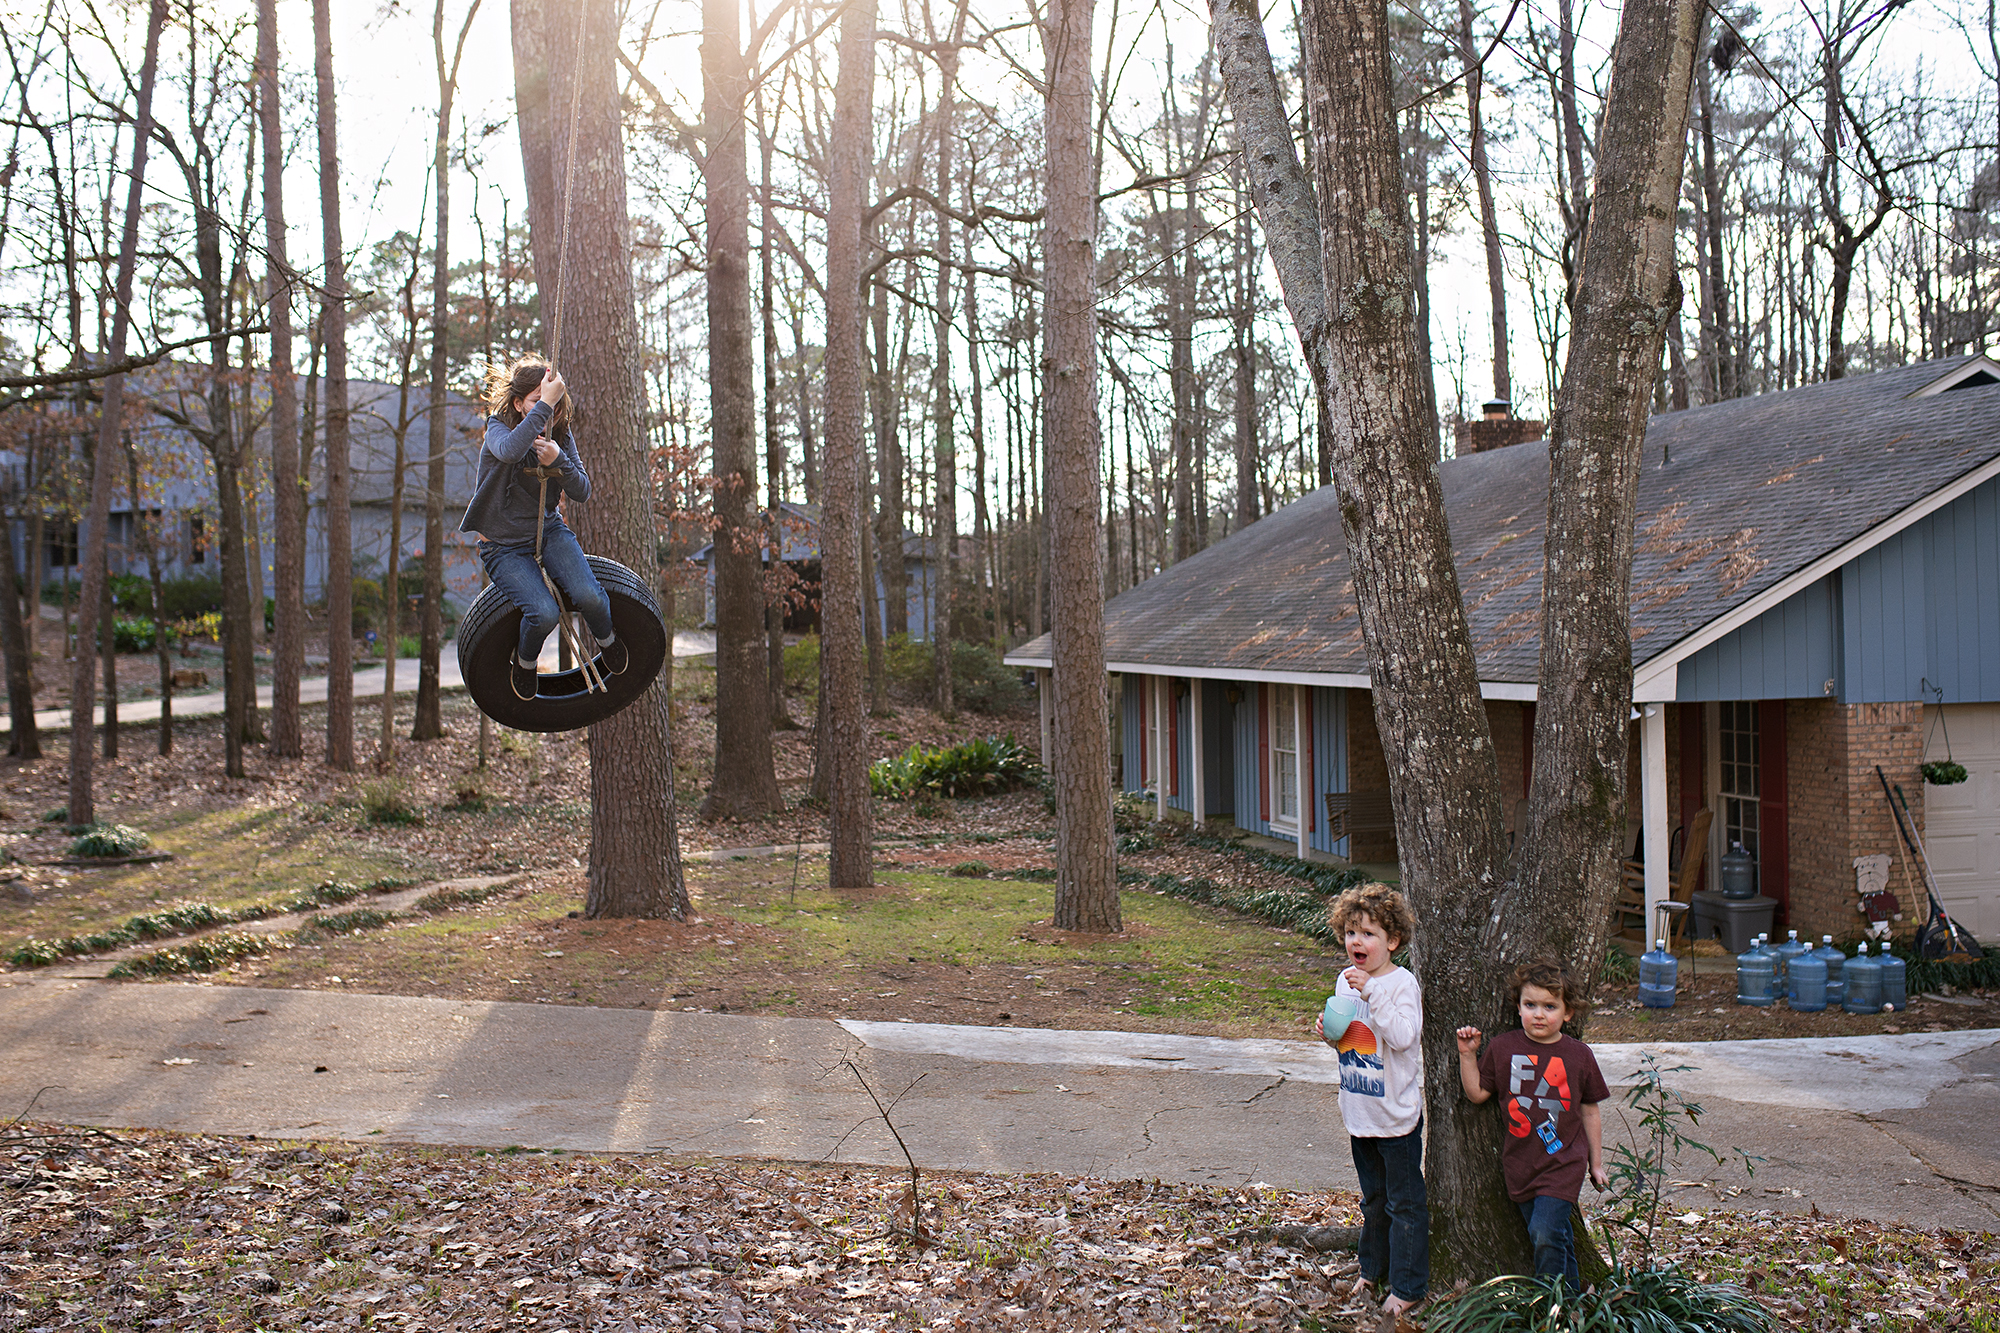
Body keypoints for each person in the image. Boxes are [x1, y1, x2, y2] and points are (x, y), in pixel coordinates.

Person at [461, 356, 627, 700]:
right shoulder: (498, 428)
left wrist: (558, 461)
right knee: (544, 613)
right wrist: (545, 404)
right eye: (538, 401)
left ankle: (607, 640)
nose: (549, 410)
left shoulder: (561, 439)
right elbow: (510, 451)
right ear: (519, 403)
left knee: (591, 597)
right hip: (503, 546)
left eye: (554, 402)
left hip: (547, 531)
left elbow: (582, 490)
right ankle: (525, 661)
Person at [1454, 958, 1610, 1293]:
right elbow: (1478, 1093)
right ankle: (1571, 1302)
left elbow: (1590, 1111)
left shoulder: (1579, 1055)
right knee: (1552, 1236)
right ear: (1519, 1007)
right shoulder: (1503, 1048)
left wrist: (1595, 1164)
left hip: (1563, 1163)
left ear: (1568, 1013)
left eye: (1550, 1006)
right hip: (1520, 1163)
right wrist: (1468, 1055)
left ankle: (1549, 1305)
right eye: (1530, 1004)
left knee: (1543, 1232)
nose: (1539, 1014)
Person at [1313, 882, 1426, 1318]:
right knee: (1373, 1201)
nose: (1357, 941)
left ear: (1392, 941)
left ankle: (1409, 1285)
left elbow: (1402, 1037)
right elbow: (1351, 1038)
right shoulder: (1345, 979)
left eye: (1369, 933)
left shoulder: (1400, 983)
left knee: (1405, 1204)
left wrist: (1371, 992)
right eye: (1351, 932)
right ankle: (1371, 1270)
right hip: (1359, 1111)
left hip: (1395, 1117)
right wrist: (1328, 1032)